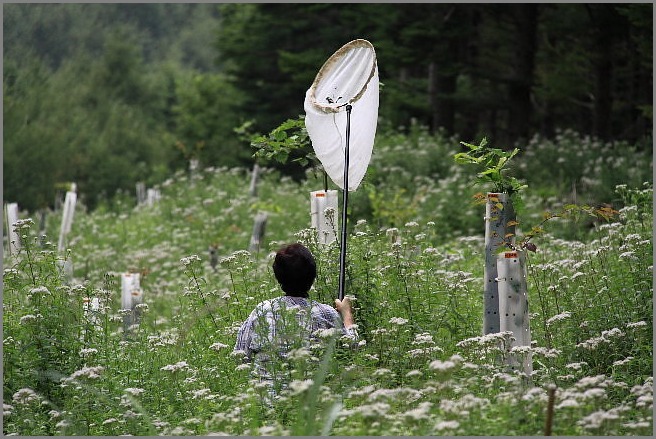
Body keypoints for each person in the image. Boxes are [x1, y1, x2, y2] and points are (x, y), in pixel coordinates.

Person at [233, 243, 357, 396]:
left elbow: (240, 356)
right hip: (310, 405)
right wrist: (347, 314)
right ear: (312, 277)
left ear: (278, 277)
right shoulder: (326, 313)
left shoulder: (262, 310)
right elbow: (352, 348)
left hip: (265, 408)